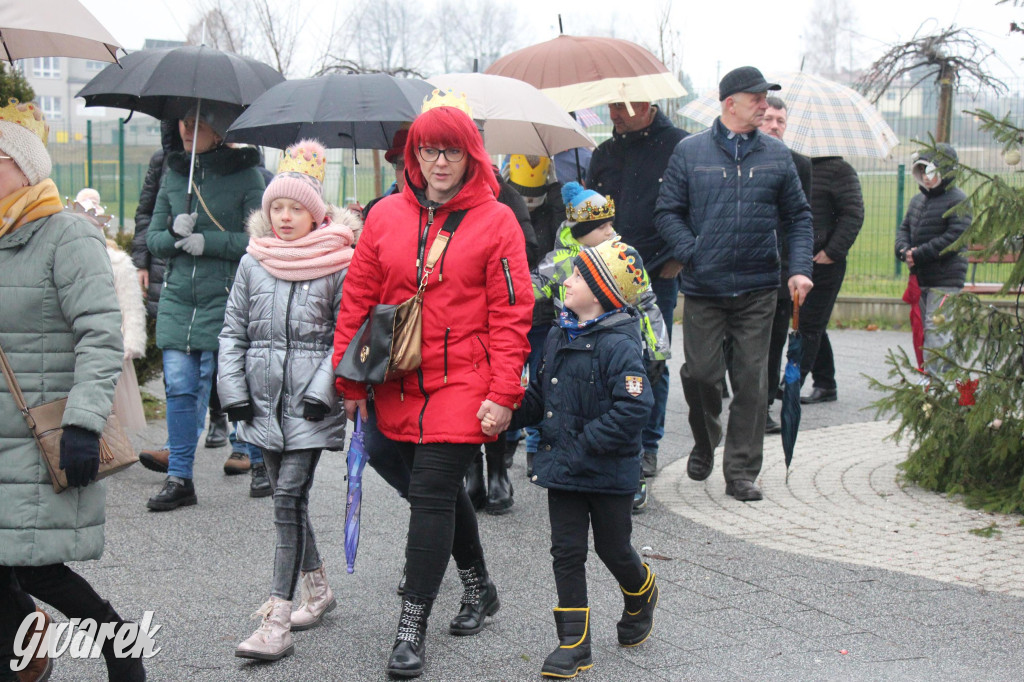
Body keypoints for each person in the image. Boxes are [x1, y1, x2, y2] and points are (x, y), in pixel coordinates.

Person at [332, 98, 532, 678]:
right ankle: (478, 583)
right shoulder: (385, 215)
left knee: (432, 491)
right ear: (414, 154)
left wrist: (502, 393)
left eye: (450, 149)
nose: (438, 161)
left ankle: (411, 626)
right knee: (428, 489)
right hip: (394, 378)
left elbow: (512, 314)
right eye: (427, 149)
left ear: (471, 154)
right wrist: (348, 379)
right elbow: (358, 300)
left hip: (464, 380)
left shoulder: (498, 221)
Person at [0, 98, 145, 681]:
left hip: (43, 434)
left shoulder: (66, 237)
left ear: (26, 167)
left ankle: (120, 643)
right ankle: (23, 662)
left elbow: (101, 335)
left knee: (36, 568)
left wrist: (84, 423)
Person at [218, 139, 360, 661]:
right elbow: (232, 331)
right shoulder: (253, 261)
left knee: (285, 500)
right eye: (276, 206)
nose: (283, 217)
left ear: (314, 212)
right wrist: (232, 392)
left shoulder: (338, 261)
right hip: (259, 403)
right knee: (288, 498)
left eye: (294, 208)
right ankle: (319, 589)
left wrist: (325, 393)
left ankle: (275, 619)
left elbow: (346, 334)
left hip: (308, 405)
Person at [655, 66, 814, 502]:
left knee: (752, 380)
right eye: (758, 98)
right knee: (702, 374)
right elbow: (667, 211)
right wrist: (693, 251)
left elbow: (799, 217)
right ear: (731, 104)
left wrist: (800, 268)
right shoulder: (690, 152)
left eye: (767, 99)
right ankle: (706, 438)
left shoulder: (777, 156)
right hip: (705, 286)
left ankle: (741, 470)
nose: (766, 106)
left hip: (759, 285)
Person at [505, 237, 656, 679]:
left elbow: (634, 407)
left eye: (576, 275)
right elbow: (540, 396)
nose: (566, 280)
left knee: (612, 548)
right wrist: (510, 409)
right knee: (566, 552)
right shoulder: (558, 333)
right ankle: (574, 644)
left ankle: (641, 589)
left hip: (607, 470)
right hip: (565, 468)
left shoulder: (619, 344)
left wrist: (586, 441)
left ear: (602, 291)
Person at [143, 105, 266, 511]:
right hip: (181, 298)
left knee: (236, 386)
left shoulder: (247, 175)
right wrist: (174, 233)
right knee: (178, 386)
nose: (188, 129)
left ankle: (259, 460)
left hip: (228, 297)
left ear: (221, 130)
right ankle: (180, 478)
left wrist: (208, 242)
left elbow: (257, 240)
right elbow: (155, 239)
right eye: (183, 121)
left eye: (199, 123)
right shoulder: (176, 173)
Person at [532, 182, 669, 512]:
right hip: (572, 354)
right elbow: (525, 291)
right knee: (577, 415)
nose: (611, 230)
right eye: (603, 226)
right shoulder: (555, 264)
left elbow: (647, 303)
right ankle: (570, 471)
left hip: (615, 350)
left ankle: (633, 474)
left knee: (620, 412)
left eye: (610, 223)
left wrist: (657, 350)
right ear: (583, 231)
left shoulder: (622, 256)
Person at [588, 100, 687, 480]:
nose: (616, 113)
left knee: (653, 360)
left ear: (648, 103)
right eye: (612, 105)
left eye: (625, 106)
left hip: (657, 273)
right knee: (604, 358)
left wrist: (677, 257)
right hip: (605, 273)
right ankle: (609, 437)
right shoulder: (604, 154)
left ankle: (648, 444)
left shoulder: (679, 147)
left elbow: (691, 206)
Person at [68, 190, 149, 435]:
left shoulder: (117, 262)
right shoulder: (67, 259)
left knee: (110, 403)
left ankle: (108, 446)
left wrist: (132, 340)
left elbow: (131, 304)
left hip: (111, 342)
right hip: (74, 341)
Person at [757, 97, 813, 433]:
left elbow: (802, 221)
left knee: (774, 344)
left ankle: (761, 409)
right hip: (745, 269)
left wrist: (798, 268)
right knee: (741, 347)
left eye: (780, 120)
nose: (774, 125)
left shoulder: (799, 165)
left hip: (780, 272)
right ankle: (747, 400)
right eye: (768, 119)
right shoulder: (742, 159)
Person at [506, 154, 563, 479]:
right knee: (511, 379)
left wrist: (554, 187)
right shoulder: (506, 208)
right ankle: (510, 438)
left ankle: (535, 447)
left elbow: (561, 227)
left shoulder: (553, 211)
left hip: (543, 316)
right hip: (516, 314)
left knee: (542, 382)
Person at [895, 143, 970, 376]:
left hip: (945, 278)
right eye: (922, 173)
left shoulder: (958, 200)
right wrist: (903, 250)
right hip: (922, 277)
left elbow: (954, 237)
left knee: (937, 330)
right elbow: (904, 229)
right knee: (925, 331)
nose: (926, 179)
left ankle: (938, 382)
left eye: (931, 173)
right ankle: (937, 378)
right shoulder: (917, 201)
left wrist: (918, 254)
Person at [799, 149, 865, 405]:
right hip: (796, 259)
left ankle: (792, 381)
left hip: (824, 262)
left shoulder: (840, 170)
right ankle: (826, 383)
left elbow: (853, 214)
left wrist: (832, 251)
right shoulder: (792, 164)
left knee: (810, 323)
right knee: (812, 324)